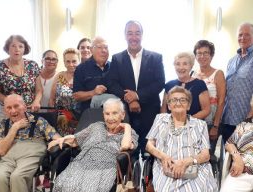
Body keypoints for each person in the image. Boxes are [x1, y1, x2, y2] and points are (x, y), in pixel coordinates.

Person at [50, 98, 138, 192]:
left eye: (115, 113)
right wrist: (63, 139)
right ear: (103, 115)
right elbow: (76, 139)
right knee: (65, 187)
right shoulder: (96, 126)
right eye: (107, 113)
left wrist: (128, 127)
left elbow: (125, 146)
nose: (110, 117)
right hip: (80, 163)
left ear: (122, 115)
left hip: (104, 168)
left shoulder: (129, 133)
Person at [146, 86, 218, 192]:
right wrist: (163, 156)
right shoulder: (160, 119)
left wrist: (187, 161)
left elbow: (206, 154)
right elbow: (149, 145)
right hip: (165, 164)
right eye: (173, 100)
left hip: (193, 166)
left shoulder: (199, 125)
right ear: (169, 105)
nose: (178, 103)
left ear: (188, 105)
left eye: (182, 100)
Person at [108, 20, 165, 158]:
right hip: (125, 113)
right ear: (125, 35)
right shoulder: (117, 58)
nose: (133, 37)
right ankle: (129, 178)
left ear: (142, 35)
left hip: (150, 112)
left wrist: (137, 96)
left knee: (149, 152)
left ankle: (148, 179)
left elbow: (159, 83)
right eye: (130, 33)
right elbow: (112, 83)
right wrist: (129, 99)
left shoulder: (155, 57)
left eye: (137, 33)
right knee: (127, 151)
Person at [221, 23, 253, 143]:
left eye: (247, 35)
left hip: (247, 119)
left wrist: (250, 116)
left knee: (243, 158)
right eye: (240, 35)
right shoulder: (232, 60)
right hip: (227, 119)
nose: (243, 38)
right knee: (228, 158)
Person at [193, 40, 226, 160]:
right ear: (195, 56)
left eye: (206, 53)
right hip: (195, 122)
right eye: (199, 53)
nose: (202, 56)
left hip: (211, 122)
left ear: (211, 55)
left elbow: (221, 101)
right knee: (193, 155)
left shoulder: (218, 73)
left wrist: (216, 126)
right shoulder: (193, 74)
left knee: (206, 156)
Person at [0, 35, 42, 113]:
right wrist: (10, 102)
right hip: (10, 111)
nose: (17, 49)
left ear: (24, 49)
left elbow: (39, 90)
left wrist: (36, 101)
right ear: (7, 48)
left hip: (30, 110)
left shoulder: (33, 65)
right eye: (13, 46)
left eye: (21, 46)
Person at [161, 52, 210, 119]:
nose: (181, 67)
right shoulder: (169, 85)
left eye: (185, 64)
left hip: (194, 126)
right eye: (177, 64)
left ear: (191, 66)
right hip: (171, 127)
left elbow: (206, 110)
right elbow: (164, 109)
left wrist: (186, 122)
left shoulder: (200, 84)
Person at [73, 36, 114, 112]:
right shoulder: (81, 69)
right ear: (92, 50)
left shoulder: (114, 67)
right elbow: (76, 96)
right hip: (90, 114)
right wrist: (93, 92)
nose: (104, 50)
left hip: (113, 113)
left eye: (106, 47)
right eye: (99, 47)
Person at [49, 48, 81, 135]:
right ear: (64, 62)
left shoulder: (83, 76)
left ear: (79, 61)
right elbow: (52, 99)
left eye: (74, 61)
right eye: (68, 61)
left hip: (79, 118)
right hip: (61, 119)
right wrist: (52, 117)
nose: (71, 64)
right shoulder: (59, 76)